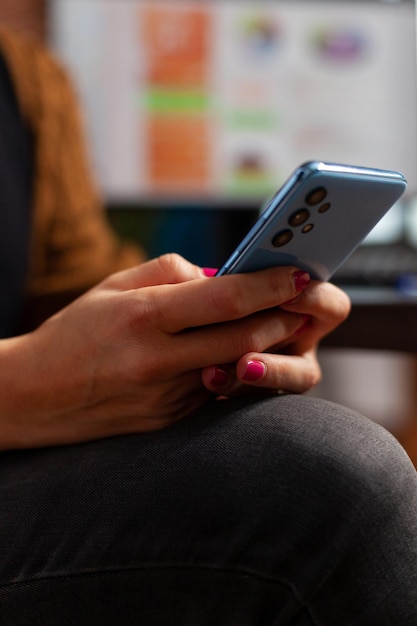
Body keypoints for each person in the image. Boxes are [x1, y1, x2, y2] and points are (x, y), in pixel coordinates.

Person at [0, 26, 416, 626]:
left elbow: (71, 294)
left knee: (300, 466)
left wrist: (197, 335)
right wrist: (23, 387)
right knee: (335, 482)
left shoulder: (26, 80)